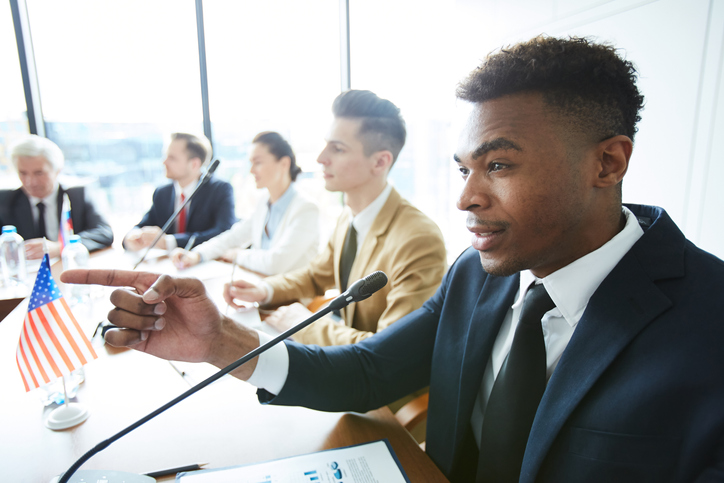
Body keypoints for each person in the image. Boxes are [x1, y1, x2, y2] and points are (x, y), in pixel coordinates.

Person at [62, 36, 724, 483]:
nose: (466, 196)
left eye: (498, 165)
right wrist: (223, 343)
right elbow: (370, 370)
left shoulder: (710, 323)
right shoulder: (477, 274)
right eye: (464, 167)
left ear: (607, 162)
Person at [222, 90, 447, 346]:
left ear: (380, 162)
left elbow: (391, 350)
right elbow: (316, 276)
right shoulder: (348, 218)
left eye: (337, 149)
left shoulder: (418, 239)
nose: (321, 158)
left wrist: (303, 325)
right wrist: (265, 290)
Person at [170, 131, 320, 276]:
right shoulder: (265, 203)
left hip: (294, 299)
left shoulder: (306, 209)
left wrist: (237, 255)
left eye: (258, 162)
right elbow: (233, 237)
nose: (252, 170)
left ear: (284, 163)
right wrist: (196, 255)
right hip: (261, 288)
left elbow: (276, 263)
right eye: (251, 163)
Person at [0, 135, 113, 259]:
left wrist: (61, 247)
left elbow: (104, 233)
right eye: (23, 173)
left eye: (39, 173)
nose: (30, 182)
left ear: (57, 170)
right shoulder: (6, 200)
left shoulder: (77, 194)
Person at [123, 132, 235, 252]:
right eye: (165, 156)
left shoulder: (220, 190)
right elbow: (143, 225)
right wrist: (132, 237)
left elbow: (223, 233)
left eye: (172, 158)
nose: (164, 162)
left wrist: (170, 242)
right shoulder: (162, 193)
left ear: (194, 164)